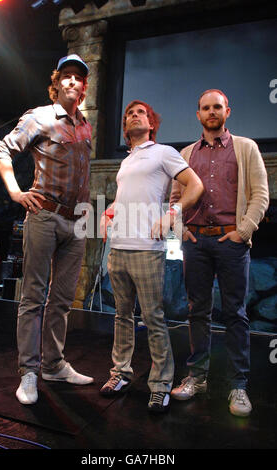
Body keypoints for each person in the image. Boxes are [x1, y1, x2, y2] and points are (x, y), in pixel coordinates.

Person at [0, 54, 94, 405]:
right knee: (34, 296)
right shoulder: (40, 116)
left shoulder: (85, 125)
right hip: (45, 215)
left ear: (83, 88)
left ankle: (53, 364)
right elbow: (3, 151)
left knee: (63, 299)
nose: (72, 82)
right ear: (57, 83)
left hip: (77, 220)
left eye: (78, 78)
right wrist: (16, 192)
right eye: (65, 76)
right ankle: (29, 372)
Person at [99, 100, 204, 413]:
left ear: (152, 122)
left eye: (140, 112)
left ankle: (159, 386)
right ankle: (120, 374)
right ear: (125, 126)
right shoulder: (127, 161)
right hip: (118, 248)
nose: (134, 116)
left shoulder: (164, 153)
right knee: (121, 316)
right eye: (129, 113)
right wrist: (110, 211)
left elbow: (195, 185)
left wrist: (172, 212)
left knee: (154, 318)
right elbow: (127, 197)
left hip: (147, 249)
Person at [170, 89, 269, 417]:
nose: (211, 112)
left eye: (217, 107)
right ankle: (197, 378)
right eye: (205, 108)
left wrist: (243, 231)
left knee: (236, 314)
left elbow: (261, 196)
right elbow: (174, 198)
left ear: (228, 111)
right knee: (197, 312)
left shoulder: (246, 148)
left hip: (231, 244)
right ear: (198, 114)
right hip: (195, 242)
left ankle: (238, 385)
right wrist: (180, 229)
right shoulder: (185, 153)